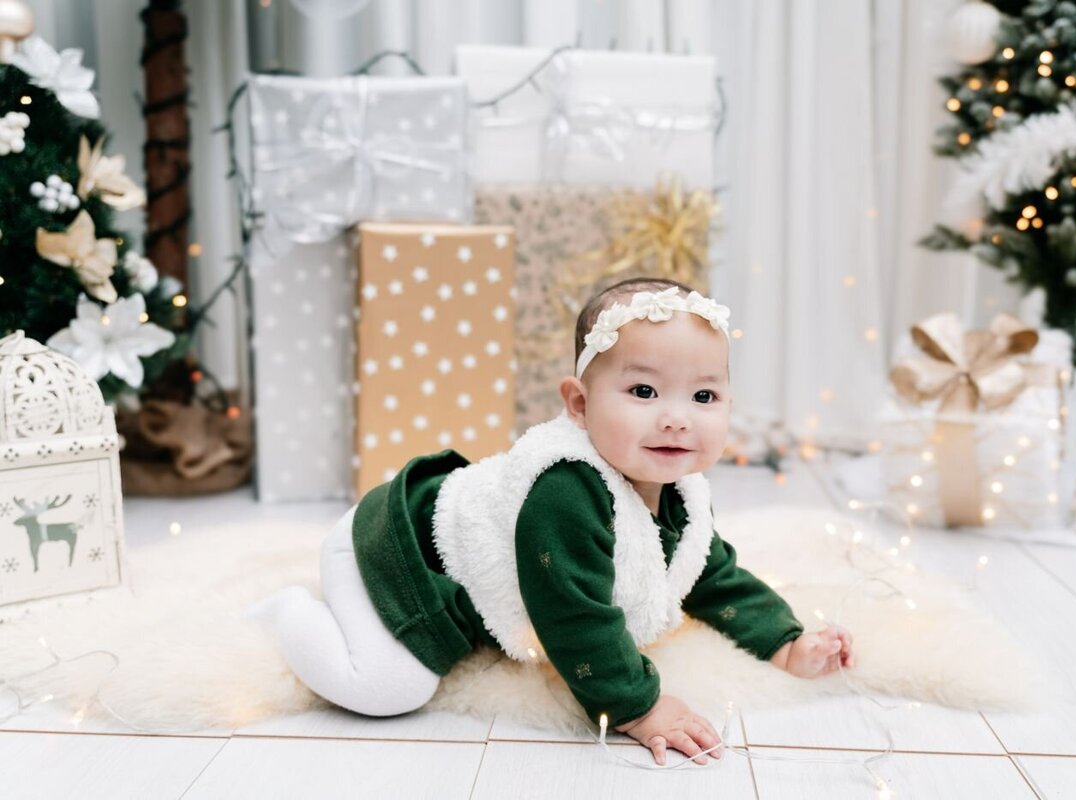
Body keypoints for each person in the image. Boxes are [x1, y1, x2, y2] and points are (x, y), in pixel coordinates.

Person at [247, 277, 855, 766]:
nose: (676, 419)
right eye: (643, 391)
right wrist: (638, 707)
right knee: (387, 689)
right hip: (395, 555)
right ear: (580, 404)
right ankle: (287, 613)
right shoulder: (565, 491)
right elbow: (572, 614)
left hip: (412, 544)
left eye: (703, 397)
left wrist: (785, 641)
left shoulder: (680, 492)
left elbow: (711, 571)